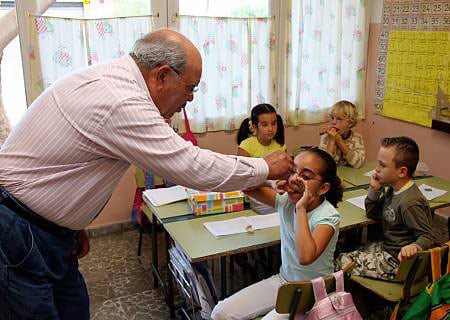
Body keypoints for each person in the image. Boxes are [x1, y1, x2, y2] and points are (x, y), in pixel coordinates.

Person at [0, 28, 293, 320]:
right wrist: (265, 167)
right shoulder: (122, 100)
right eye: (190, 87)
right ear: (162, 75)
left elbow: (65, 164)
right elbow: (190, 164)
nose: (190, 99)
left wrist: (72, 223)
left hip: (43, 228)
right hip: (19, 229)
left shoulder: (113, 82)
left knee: (73, 309)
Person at [211, 147, 343, 320]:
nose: (296, 179)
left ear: (323, 188)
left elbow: (305, 257)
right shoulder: (284, 201)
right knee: (220, 313)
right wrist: (270, 182)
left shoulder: (327, 216)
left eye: (306, 176)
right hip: (284, 281)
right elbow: (245, 186)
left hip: (312, 291)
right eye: (294, 171)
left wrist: (301, 208)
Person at [337, 136, 434, 280]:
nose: (376, 169)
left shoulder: (409, 202)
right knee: (346, 249)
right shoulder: (394, 188)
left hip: (397, 261)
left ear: (401, 172)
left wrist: (415, 247)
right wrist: (374, 190)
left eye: (382, 165)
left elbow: (427, 236)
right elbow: (373, 214)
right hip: (388, 247)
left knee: (340, 262)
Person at [319, 100, 365, 168]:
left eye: (339, 119)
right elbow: (324, 165)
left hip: (350, 176)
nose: (334, 122)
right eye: (332, 118)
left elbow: (358, 163)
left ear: (350, 123)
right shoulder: (326, 137)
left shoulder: (357, 138)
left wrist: (339, 141)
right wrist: (331, 140)